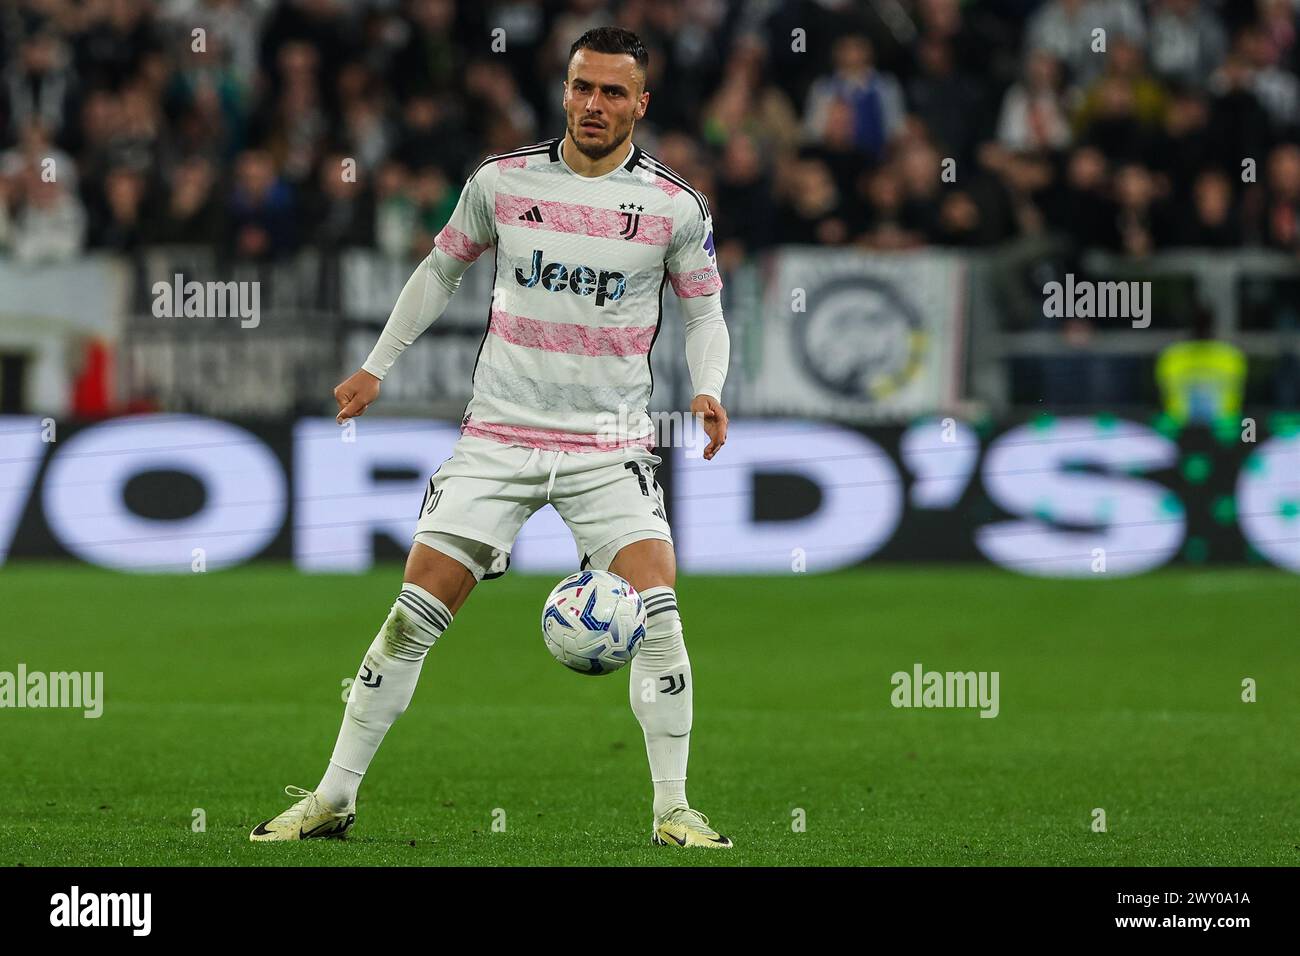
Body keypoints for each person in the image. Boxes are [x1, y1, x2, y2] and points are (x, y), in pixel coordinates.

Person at [250, 27, 733, 849]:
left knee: (658, 611)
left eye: (614, 92)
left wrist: (708, 388)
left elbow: (704, 310)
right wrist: (376, 367)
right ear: (566, 90)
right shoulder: (503, 181)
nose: (594, 104)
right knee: (411, 617)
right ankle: (333, 797)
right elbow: (442, 268)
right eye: (583, 86)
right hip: (498, 437)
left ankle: (673, 810)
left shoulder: (673, 206)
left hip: (609, 441)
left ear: (641, 105)